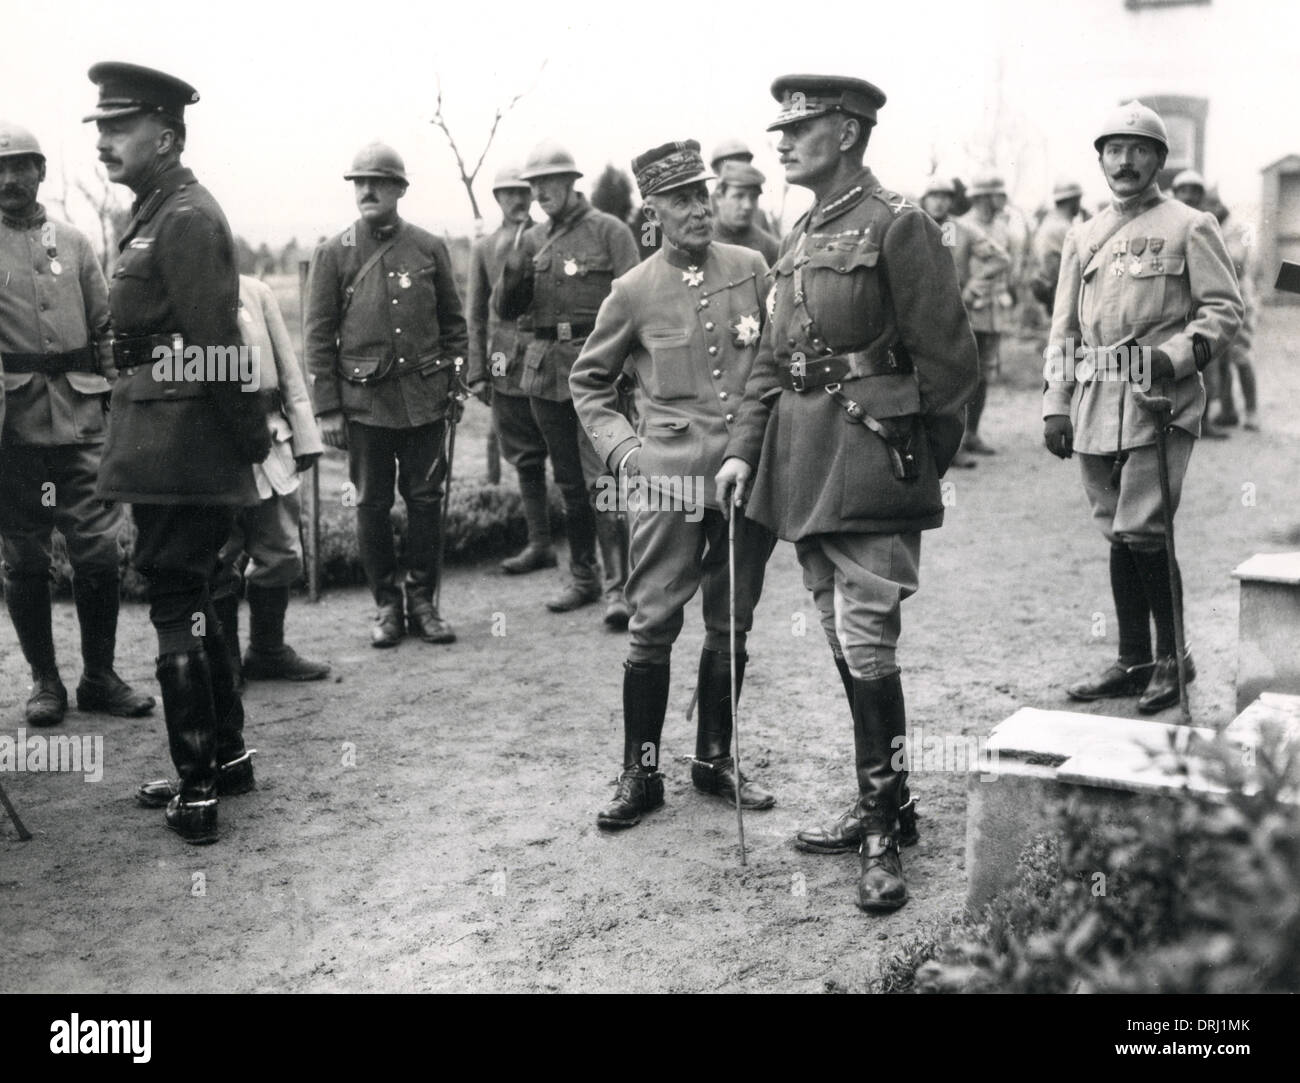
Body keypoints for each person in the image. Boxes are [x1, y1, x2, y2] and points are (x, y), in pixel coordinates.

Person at [715, 75, 979, 913]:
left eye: (802, 128)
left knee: (867, 639)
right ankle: (891, 801)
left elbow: (950, 362)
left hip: (871, 460)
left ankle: (879, 825)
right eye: (779, 130)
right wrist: (741, 455)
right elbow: (772, 363)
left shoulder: (899, 224)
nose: (782, 143)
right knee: (839, 630)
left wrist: (915, 458)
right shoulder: (799, 235)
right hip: (803, 464)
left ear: (851, 133)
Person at [87, 62, 271, 843]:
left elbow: (217, 348)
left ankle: (196, 789)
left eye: (117, 128)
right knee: (203, 596)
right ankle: (223, 759)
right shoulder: (155, 212)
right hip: (166, 443)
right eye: (99, 128)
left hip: (183, 450)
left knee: (177, 605)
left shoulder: (187, 217)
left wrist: (248, 442)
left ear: (164, 136)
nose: (102, 143)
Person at [571, 139, 777, 829]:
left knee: (732, 615)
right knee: (652, 620)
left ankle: (714, 756)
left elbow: (775, 358)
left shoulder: (752, 268)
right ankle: (642, 770)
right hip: (668, 483)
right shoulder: (633, 290)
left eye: (704, 193)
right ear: (652, 210)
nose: (698, 208)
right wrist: (627, 455)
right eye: (682, 198)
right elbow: (589, 383)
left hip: (745, 474)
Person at [1044, 102, 1242, 715]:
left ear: (1159, 158)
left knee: (1143, 526)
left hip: (1159, 399)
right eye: (1113, 150)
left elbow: (1223, 312)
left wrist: (1176, 357)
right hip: (1096, 398)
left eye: (1138, 150)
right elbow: (1063, 329)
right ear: (1100, 159)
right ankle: (1132, 659)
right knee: (1117, 529)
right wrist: (1056, 401)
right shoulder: (1084, 234)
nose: (1124, 161)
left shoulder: (1191, 223)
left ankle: (1172, 659)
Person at [0, 120, 155, 728]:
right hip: (13, 430)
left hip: (84, 418)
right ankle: (45, 681)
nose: (12, 179)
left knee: (97, 551)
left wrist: (118, 399)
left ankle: (100, 675)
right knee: (24, 556)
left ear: (42, 172)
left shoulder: (76, 241)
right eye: (2, 169)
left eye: (23, 167)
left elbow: (106, 331)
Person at [305, 142, 468, 648]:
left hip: (424, 402)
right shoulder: (333, 253)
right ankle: (386, 607)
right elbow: (317, 337)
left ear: (399, 189)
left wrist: (456, 384)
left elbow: (454, 325)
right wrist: (329, 408)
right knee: (370, 505)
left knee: (425, 501)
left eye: (378, 181)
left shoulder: (428, 247)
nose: (367, 190)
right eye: (359, 182)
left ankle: (423, 601)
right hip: (365, 406)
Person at [493, 141, 639, 625]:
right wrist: (512, 271)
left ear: (572, 182)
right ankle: (583, 577)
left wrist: (630, 371)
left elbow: (637, 306)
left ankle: (620, 588)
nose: (539, 193)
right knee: (569, 481)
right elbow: (506, 311)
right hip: (544, 372)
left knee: (603, 480)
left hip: (598, 372)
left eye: (548, 183)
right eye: (533, 186)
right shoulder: (529, 239)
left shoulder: (610, 232)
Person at [210, 275, 329, 686]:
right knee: (219, 553)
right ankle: (223, 661)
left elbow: (288, 368)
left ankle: (267, 650)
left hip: (270, 436)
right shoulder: (177, 293)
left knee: (280, 549)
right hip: (214, 443)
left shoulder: (255, 291)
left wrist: (305, 433)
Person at [465, 166, 556, 575]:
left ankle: (593, 555)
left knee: (572, 458)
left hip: (552, 360)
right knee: (525, 458)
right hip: (507, 366)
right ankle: (540, 544)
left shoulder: (550, 237)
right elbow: (475, 317)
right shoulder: (484, 248)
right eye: (508, 193)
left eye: (524, 192)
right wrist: (478, 372)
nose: (517, 200)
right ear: (497, 197)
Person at [919, 174, 1011, 470]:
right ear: (924, 198)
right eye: (934, 195)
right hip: (918, 316)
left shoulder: (963, 230)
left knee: (956, 379)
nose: (940, 201)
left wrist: (973, 288)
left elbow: (1000, 259)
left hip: (955, 316)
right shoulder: (910, 226)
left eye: (946, 196)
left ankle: (954, 445)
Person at [959, 173, 1020, 455]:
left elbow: (1006, 266)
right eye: (998, 193)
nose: (1002, 199)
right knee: (963, 374)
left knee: (984, 375)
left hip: (994, 311)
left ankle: (972, 433)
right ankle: (955, 438)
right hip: (969, 310)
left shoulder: (1002, 228)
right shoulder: (960, 226)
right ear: (983, 196)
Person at [1170, 169, 1230, 440]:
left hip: (1200, 305)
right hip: (1173, 306)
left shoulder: (1206, 224)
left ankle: (1204, 420)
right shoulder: (1167, 222)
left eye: (1195, 191)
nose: (1190, 196)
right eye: (1184, 191)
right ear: (1175, 193)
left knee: (1207, 364)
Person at [1211, 193, 1260, 431]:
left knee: (1241, 356)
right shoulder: (1214, 227)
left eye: (1212, 203)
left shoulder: (1236, 228)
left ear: (1221, 204)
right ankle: (1227, 409)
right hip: (1220, 300)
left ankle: (1252, 412)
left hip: (1240, 300)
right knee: (1220, 359)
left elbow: (1237, 263)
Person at [1030, 180, 1084, 318]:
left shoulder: (1050, 223)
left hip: (1053, 291)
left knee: (1062, 333)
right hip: (1062, 291)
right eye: (1078, 200)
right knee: (1069, 335)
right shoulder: (1063, 228)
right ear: (1072, 201)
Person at [711, 161, 779, 265]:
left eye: (753, 197)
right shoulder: (702, 239)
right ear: (719, 198)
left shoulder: (770, 248)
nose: (748, 205)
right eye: (739, 196)